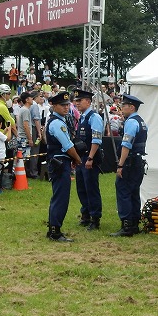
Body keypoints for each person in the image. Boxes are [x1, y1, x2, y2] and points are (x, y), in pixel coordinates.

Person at [45, 91, 82, 241]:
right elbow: (68, 146)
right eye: (62, 105)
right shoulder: (57, 123)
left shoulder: (59, 121)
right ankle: (55, 231)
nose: (66, 108)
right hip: (60, 163)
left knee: (59, 196)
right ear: (54, 106)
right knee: (61, 197)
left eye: (67, 105)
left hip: (60, 162)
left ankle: (54, 228)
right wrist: (78, 159)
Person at [111, 94, 148, 237]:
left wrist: (120, 165)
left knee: (124, 191)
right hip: (138, 161)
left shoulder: (131, 122)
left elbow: (126, 145)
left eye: (124, 106)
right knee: (133, 192)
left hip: (130, 162)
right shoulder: (141, 121)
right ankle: (134, 223)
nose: (121, 108)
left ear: (131, 107)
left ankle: (126, 225)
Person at [73, 90, 104, 230]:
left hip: (90, 158)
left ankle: (95, 218)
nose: (76, 103)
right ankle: (85, 214)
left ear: (88, 101)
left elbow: (96, 140)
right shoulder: (82, 117)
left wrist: (90, 157)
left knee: (91, 188)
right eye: (76, 101)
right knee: (81, 188)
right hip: (81, 158)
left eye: (80, 100)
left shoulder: (94, 117)